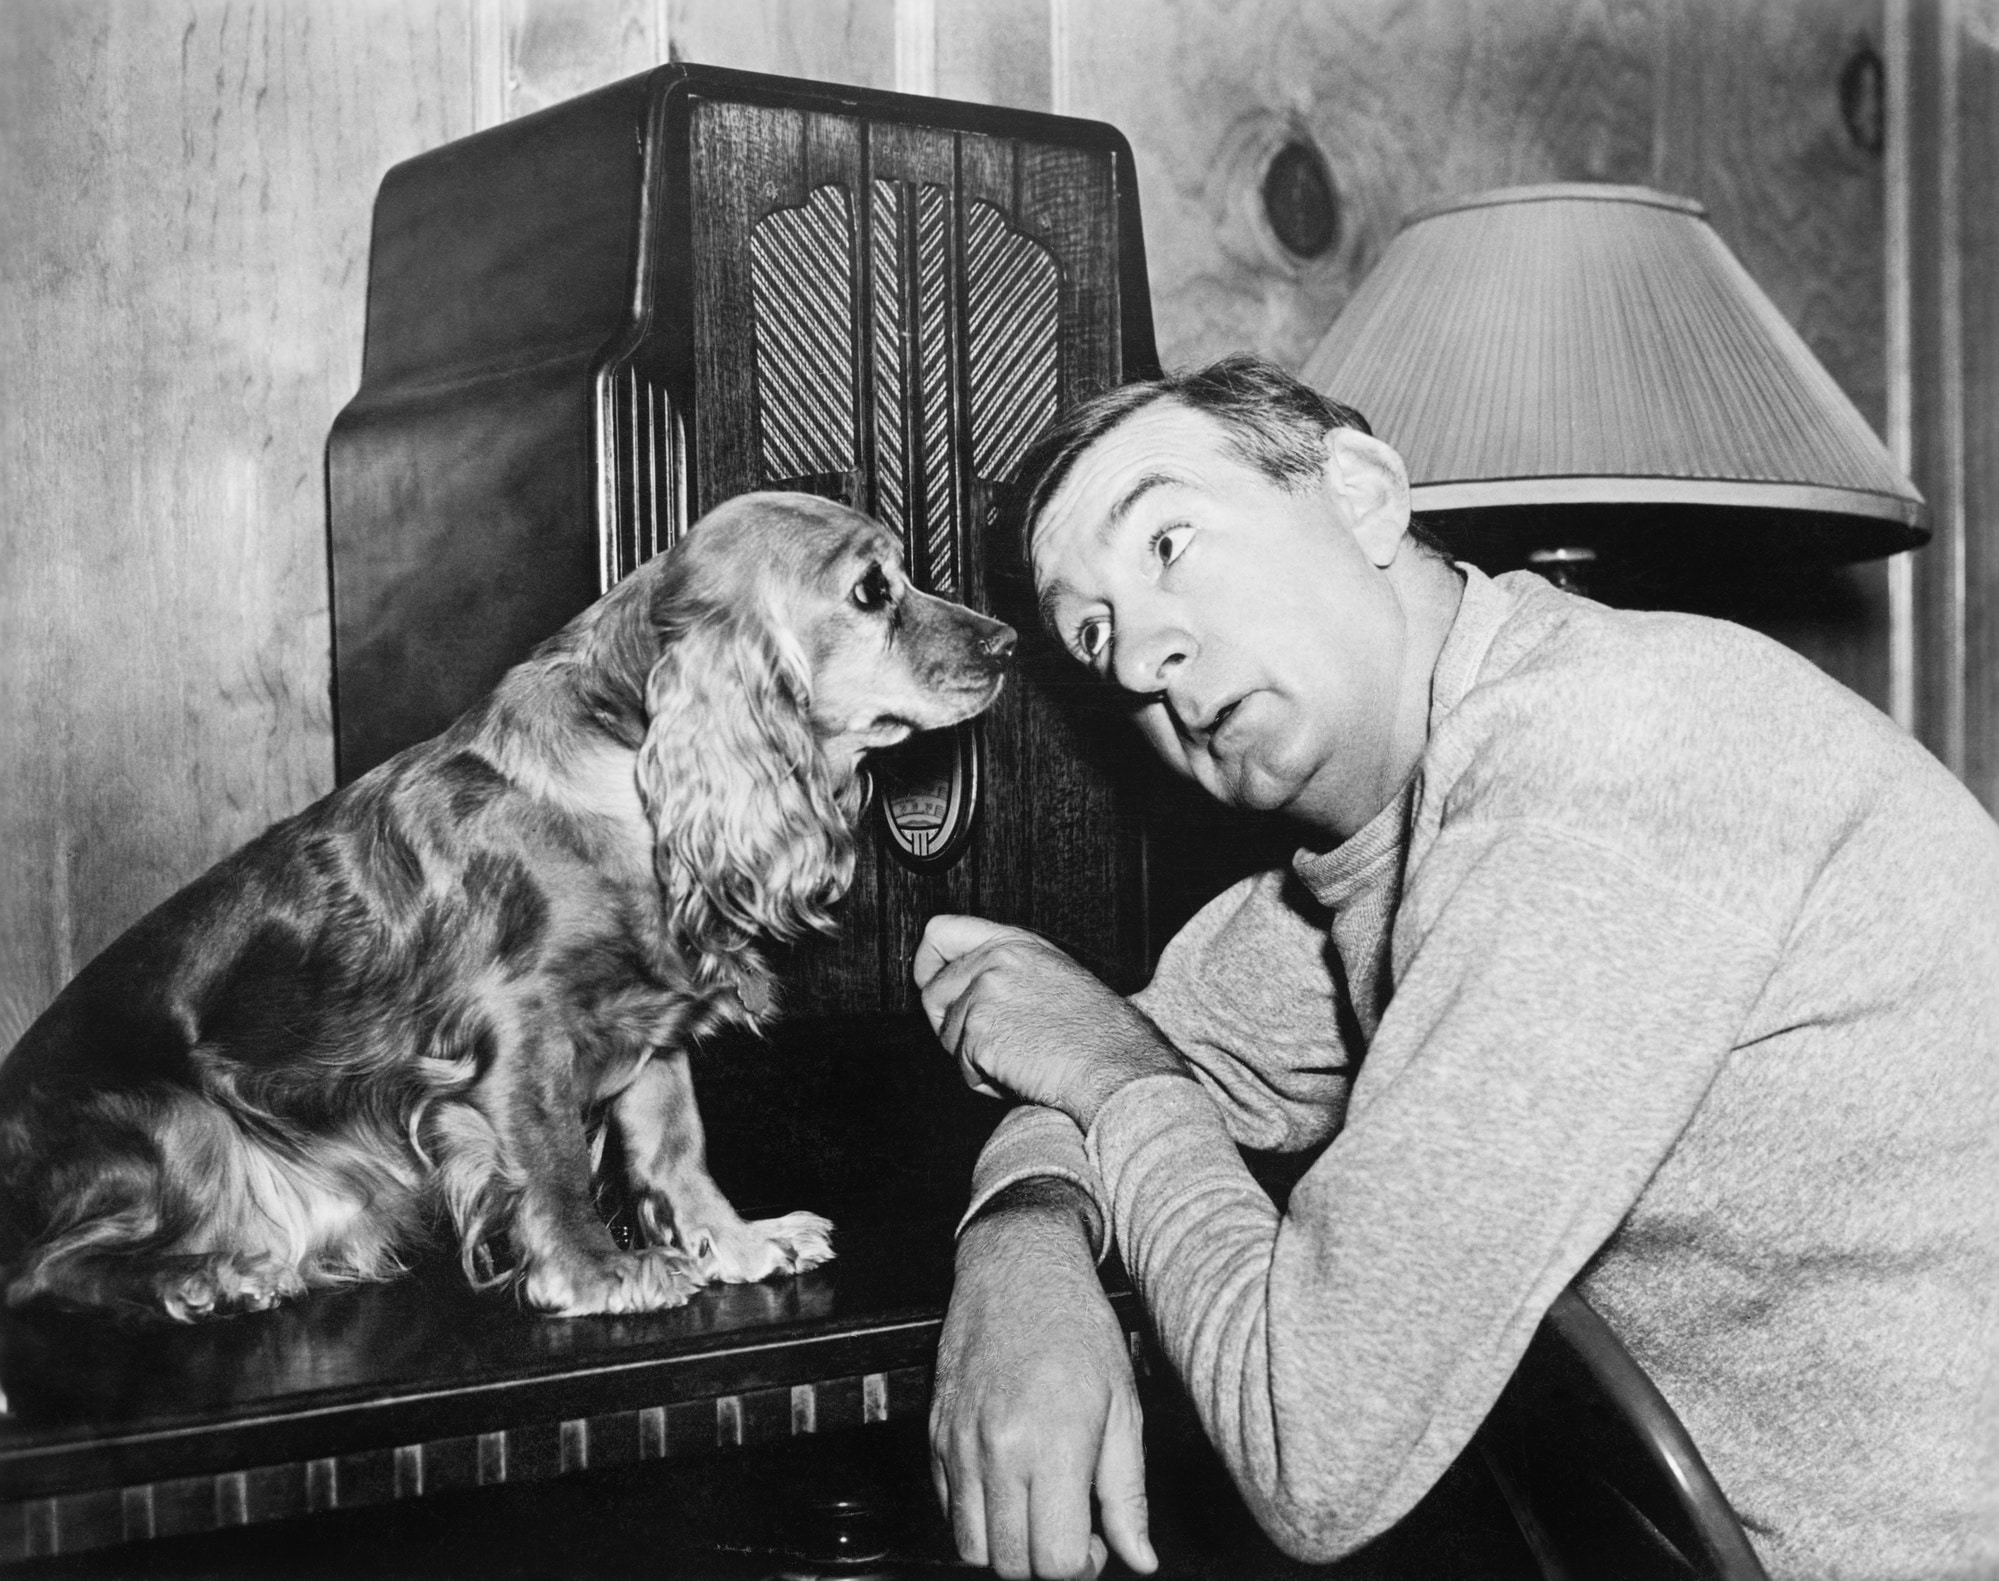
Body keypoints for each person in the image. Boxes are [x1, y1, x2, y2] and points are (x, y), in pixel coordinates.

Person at [911, 354, 1999, 1581]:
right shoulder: (1379, 848)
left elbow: (1310, 1451)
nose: (1137, 660)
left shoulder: (1607, 758)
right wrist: (1020, 1243)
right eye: (1094, 632)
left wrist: (1120, 1087)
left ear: (1364, 495)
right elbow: (1085, 1039)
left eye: (1166, 544)